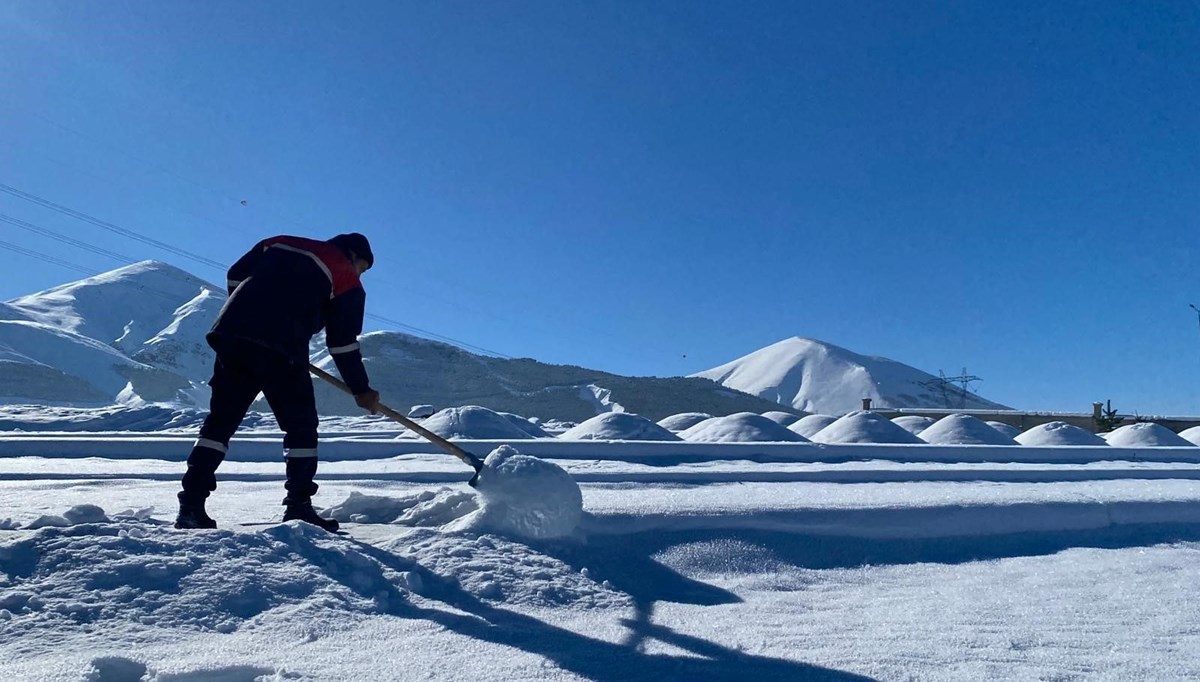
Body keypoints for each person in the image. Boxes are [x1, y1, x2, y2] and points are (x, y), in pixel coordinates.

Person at [175, 233, 382, 532]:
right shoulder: (346, 276)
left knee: (220, 423)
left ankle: (191, 506)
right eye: (362, 267)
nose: (360, 273)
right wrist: (361, 390)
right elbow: (343, 345)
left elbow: (235, 273)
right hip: (282, 348)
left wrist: (249, 314)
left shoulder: (279, 242)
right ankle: (298, 506)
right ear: (352, 256)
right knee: (301, 428)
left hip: (232, 336)